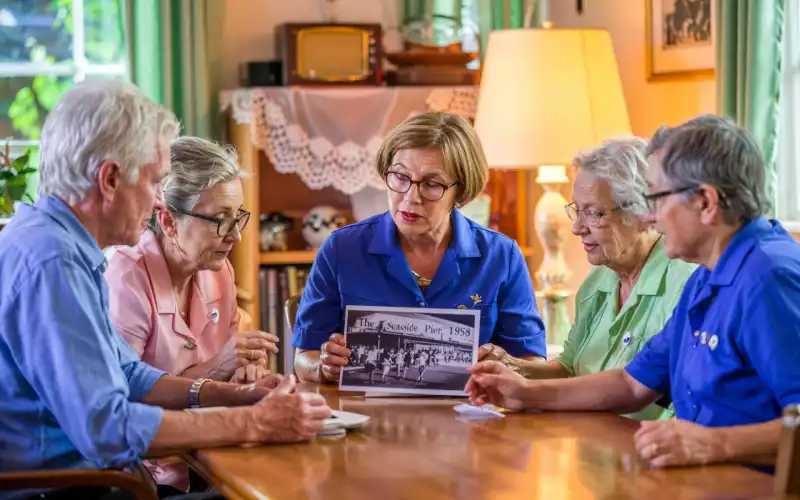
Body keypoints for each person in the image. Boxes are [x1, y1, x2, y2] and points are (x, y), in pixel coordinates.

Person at [0, 79, 331, 500]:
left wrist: (237, 396)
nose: (160, 202)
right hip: (68, 492)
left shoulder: (55, 242)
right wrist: (257, 422)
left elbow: (128, 374)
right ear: (111, 179)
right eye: (155, 181)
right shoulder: (54, 262)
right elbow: (109, 429)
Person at [466, 114, 800, 468]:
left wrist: (714, 444)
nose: (649, 217)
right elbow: (632, 384)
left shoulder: (770, 278)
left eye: (656, 199)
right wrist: (524, 392)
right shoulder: (708, 275)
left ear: (705, 202)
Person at [291, 111, 546, 383]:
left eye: (431, 184)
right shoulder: (341, 249)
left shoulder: (501, 255)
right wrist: (324, 367)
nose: (410, 198)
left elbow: (532, 362)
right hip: (365, 415)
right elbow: (304, 356)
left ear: (460, 191)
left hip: (470, 416)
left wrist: (509, 365)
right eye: (400, 177)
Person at [104, 136, 279, 493]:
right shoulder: (125, 278)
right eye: (219, 220)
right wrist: (218, 369)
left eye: (238, 217)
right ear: (168, 221)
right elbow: (123, 404)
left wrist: (247, 374)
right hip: (142, 477)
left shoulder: (218, 269)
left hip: (211, 456)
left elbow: (228, 374)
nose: (236, 237)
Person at [479, 137, 696, 420]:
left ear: (643, 213)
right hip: (589, 444)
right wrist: (510, 366)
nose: (577, 228)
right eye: (577, 210)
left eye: (594, 213)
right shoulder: (597, 282)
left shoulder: (685, 284)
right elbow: (570, 369)